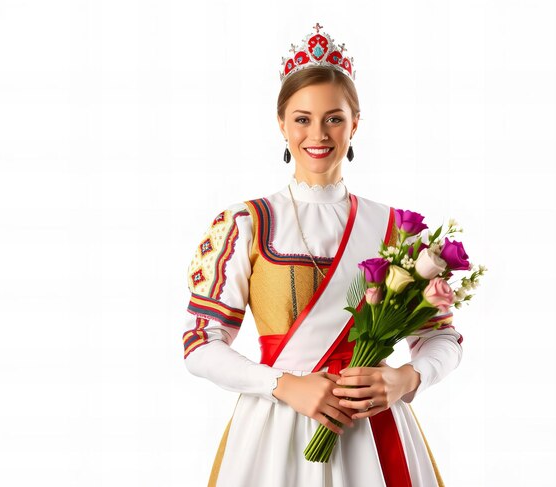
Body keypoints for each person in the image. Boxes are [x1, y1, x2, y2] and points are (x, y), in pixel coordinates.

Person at [182, 22, 463, 487]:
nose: (318, 133)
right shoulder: (246, 223)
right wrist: (283, 385)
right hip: (275, 427)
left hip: (374, 430)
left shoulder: (396, 228)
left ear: (356, 123)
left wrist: (405, 380)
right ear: (281, 123)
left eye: (334, 117)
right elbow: (200, 344)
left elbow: (444, 339)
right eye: (302, 118)